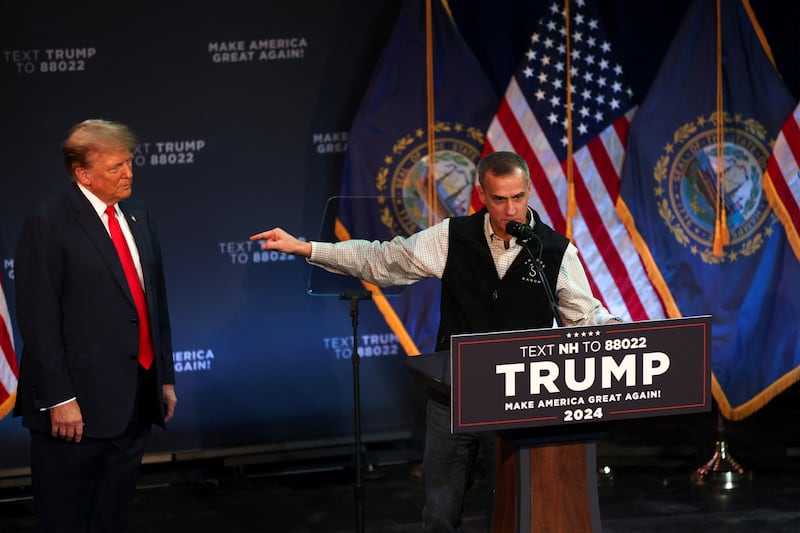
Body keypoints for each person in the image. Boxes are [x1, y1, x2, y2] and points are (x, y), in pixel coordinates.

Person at [249, 150, 618, 532]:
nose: (510, 210)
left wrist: (630, 337)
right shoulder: (452, 236)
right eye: (499, 199)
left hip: (517, 402)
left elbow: (586, 316)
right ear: (481, 195)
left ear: (529, 191)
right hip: (453, 397)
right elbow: (385, 261)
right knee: (440, 514)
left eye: (517, 197)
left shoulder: (555, 250)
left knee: (511, 512)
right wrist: (308, 248)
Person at [13, 119, 177, 533]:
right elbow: (37, 317)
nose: (129, 173)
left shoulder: (138, 214)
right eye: (116, 167)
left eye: (129, 162)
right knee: (69, 518)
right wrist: (58, 398)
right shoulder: (48, 222)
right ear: (82, 173)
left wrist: (164, 377)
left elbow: (153, 301)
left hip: (135, 395)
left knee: (113, 515)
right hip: (75, 407)